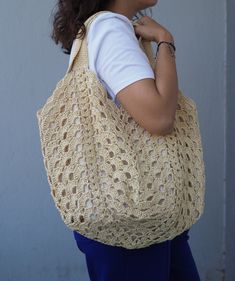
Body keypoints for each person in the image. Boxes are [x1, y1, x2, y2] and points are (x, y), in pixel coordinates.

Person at [51, 0, 202, 280]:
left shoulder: (102, 30)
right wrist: (165, 42)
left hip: (146, 212)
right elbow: (159, 118)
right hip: (132, 221)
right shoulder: (110, 30)